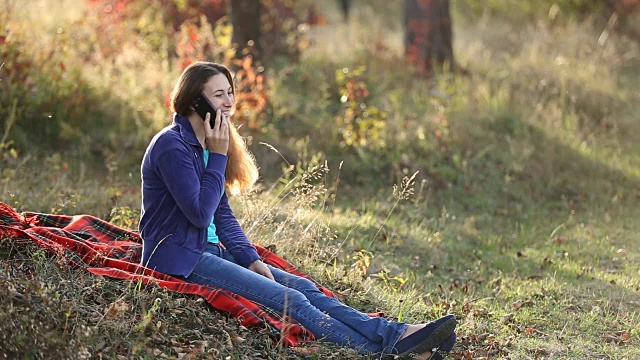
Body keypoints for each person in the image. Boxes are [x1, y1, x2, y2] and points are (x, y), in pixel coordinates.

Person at [139, 61, 457, 359]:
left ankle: (396, 335)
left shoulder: (207, 143)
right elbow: (198, 214)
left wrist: (251, 258)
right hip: (181, 258)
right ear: (196, 102)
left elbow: (222, 214)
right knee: (291, 301)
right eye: (218, 95)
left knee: (303, 287)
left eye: (230, 93)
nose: (228, 102)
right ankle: (384, 351)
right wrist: (219, 156)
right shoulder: (172, 145)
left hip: (210, 250)